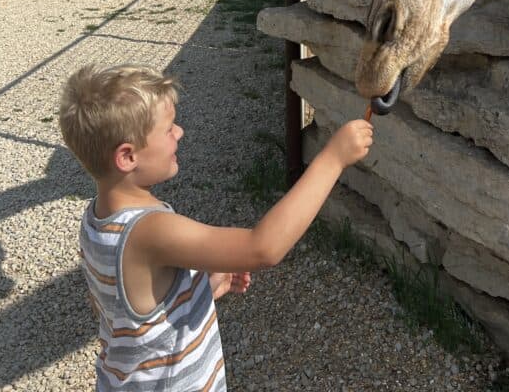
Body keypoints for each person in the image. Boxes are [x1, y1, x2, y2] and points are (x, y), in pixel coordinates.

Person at [59, 63, 373, 391]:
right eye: (168, 129)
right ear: (126, 157)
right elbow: (261, 248)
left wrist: (198, 291)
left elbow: (130, 317)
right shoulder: (149, 231)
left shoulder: (97, 219)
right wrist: (333, 158)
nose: (179, 132)